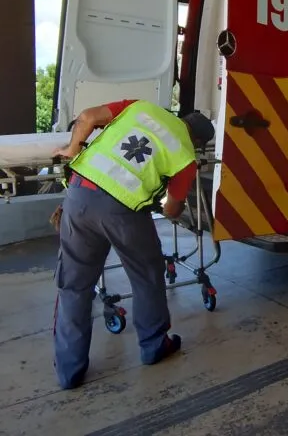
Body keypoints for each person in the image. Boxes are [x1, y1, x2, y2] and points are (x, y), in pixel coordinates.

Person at [50, 98, 215, 390]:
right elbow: (172, 210)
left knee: (74, 285)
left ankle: (69, 371)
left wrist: (71, 148)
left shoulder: (141, 107)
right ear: (198, 141)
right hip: (123, 212)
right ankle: (153, 346)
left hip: (79, 195)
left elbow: (88, 116)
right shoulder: (186, 156)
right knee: (147, 274)